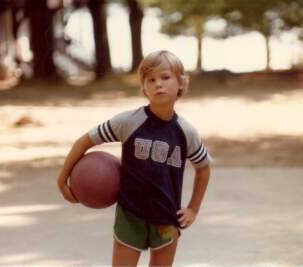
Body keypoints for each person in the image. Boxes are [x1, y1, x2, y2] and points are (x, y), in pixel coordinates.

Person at [57, 50, 212, 267]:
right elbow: (84, 141)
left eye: (165, 77)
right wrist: (63, 178)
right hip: (130, 215)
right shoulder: (129, 122)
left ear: (180, 84)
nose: (158, 84)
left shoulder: (186, 132)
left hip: (167, 217)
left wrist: (193, 208)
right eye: (151, 79)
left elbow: (204, 168)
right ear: (144, 87)